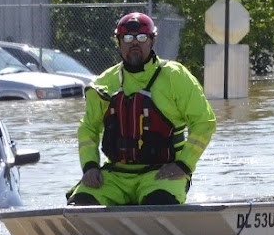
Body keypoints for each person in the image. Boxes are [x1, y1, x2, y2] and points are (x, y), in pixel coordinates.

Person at [68, 12, 217, 207]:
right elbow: (88, 129)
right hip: (115, 176)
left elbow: (204, 122)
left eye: (141, 37)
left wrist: (184, 165)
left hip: (161, 174)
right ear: (119, 42)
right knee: (80, 203)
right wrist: (90, 166)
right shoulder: (104, 83)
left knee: (159, 202)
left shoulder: (175, 76)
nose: (134, 43)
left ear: (152, 40)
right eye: (128, 38)